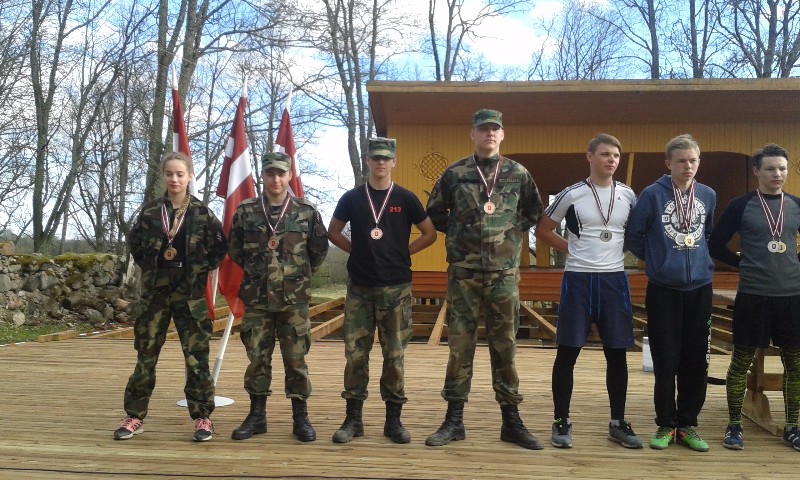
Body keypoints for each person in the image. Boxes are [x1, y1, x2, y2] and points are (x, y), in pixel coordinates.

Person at [424, 109, 544, 450]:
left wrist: (509, 232)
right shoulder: (455, 173)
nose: (489, 134)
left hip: (503, 275)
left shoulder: (518, 173)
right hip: (464, 274)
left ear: (502, 135)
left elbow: (534, 210)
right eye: (483, 129)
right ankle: (454, 420)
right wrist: (462, 233)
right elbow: (434, 213)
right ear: (472, 134)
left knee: (505, 345)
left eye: (494, 129)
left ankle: (511, 421)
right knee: (459, 346)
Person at [535, 133, 641, 449]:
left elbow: (636, 232)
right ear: (590, 157)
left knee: (617, 354)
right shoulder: (572, 194)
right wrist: (571, 248)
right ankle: (561, 421)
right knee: (568, 352)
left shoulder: (628, 194)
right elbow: (543, 229)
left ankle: (618, 422)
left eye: (616, 156)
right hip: (578, 280)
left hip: (614, 280)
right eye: (605, 154)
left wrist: (628, 253)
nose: (612, 160)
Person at [328, 137, 437, 444]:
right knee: (355, 355)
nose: (380, 162)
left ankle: (393, 421)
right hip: (360, 288)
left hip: (396, 288)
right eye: (375, 157)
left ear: (393, 162)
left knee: (394, 356)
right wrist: (357, 251)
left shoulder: (406, 197)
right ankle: (353, 419)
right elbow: (333, 232)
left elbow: (429, 233)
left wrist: (403, 253)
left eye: (385, 158)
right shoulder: (352, 198)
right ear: (368, 161)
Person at [114, 151, 228, 442]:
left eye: (180, 174)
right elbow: (136, 244)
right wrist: (152, 269)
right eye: (169, 174)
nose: (174, 179)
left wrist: (198, 270)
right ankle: (134, 416)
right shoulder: (151, 212)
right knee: (146, 356)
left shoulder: (202, 213)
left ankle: (202, 417)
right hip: (155, 294)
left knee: (196, 359)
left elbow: (219, 247)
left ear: (189, 176)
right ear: (163, 176)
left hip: (190, 296)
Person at [227, 151, 328, 442]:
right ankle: (257, 417)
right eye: (270, 173)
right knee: (257, 359)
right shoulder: (246, 211)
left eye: (281, 173)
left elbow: (318, 250)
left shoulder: (306, 211)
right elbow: (235, 250)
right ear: (263, 175)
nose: (276, 179)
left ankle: (300, 418)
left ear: (289, 175)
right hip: (257, 298)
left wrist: (296, 275)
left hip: (293, 300)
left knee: (296, 360)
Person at [624, 134, 716, 451]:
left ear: (699, 162)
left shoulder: (708, 194)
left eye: (693, 160)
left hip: (700, 288)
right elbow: (634, 236)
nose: (687, 166)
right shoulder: (652, 194)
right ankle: (666, 424)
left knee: (696, 360)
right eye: (681, 161)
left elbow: (707, 233)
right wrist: (659, 261)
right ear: (668, 163)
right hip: (664, 289)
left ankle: (687, 425)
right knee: (666, 359)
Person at [709, 143, 800, 452]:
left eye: (782, 168)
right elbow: (715, 243)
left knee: (795, 365)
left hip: (791, 296)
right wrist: (742, 264)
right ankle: (734, 425)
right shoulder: (741, 205)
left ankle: (792, 427)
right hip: (753, 295)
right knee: (740, 362)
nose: (777, 174)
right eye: (770, 168)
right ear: (757, 171)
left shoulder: (796, 205)